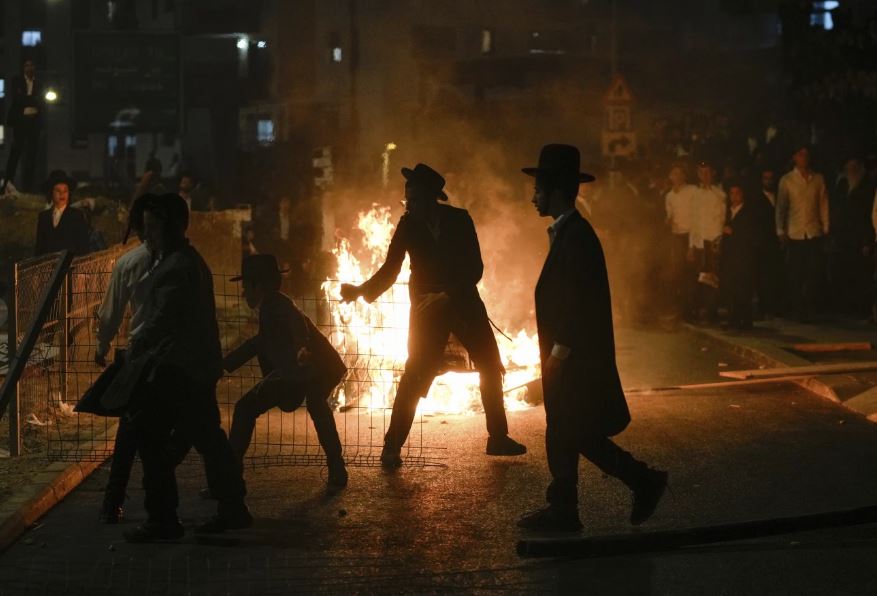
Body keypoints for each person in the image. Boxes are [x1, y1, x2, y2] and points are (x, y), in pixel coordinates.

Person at [517, 144, 667, 532]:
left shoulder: (577, 236)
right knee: (569, 428)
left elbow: (579, 303)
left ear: (557, 190)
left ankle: (632, 484)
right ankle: (573, 505)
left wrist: (558, 355)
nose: (533, 196)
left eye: (539, 188)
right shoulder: (567, 232)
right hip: (571, 355)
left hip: (575, 358)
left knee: (572, 428)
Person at [339, 163, 526, 467]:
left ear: (431, 198)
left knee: (491, 365)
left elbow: (475, 267)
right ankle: (392, 446)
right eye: (406, 200)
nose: (408, 206)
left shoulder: (460, 220)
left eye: (413, 200)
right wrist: (361, 290)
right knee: (415, 374)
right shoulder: (407, 226)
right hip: (427, 310)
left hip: (463, 302)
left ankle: (498, 438)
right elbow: (390, 269)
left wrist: (448, 295)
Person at [123, 193, 250, 542]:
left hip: (180, 370)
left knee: (154, 438)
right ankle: (231, 508)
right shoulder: (184, 260)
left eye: (152, 227)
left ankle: (164, 519)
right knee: (207, 439)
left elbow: (164, 319)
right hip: (191, 367)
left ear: (172, 227)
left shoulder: (177, 266)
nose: (146, 235)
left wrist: (137, 344)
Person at [220, 254, 348, 491]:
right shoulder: (273, 304)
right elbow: (260, 342)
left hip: (310, 368)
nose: (243, 292)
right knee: (317, 406)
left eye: (247, 286)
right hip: (313, 368)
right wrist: (226, 364)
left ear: (260, 286)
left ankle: (228, 481)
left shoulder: (275, 305)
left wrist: (301, 348)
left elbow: (295, 325)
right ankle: (337, 467)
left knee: (246, 408)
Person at [94, 193, 156, 523]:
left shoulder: (129, 263)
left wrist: (101, 346)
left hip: (142, 354)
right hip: (173, 355)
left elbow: (110, 314)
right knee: (189, 427)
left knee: (130, 431)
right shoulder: (183, 260)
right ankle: (225, 497)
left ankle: (113, 501)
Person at [776, 144, 829, 322]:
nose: (804, 158)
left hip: (813, 231)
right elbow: (782, 206)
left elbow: (823, 203)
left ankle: (811, 307)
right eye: (800, 155)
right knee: (796, 274)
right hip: (795, 232)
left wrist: (826, 226)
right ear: (794, 158)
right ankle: (797, 308)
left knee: (813, 272)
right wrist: (780, 229)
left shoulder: (818, 179)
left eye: (806, 155)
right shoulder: (787, 180)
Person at [689, 160, 727, 323]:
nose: (704, 176)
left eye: (707, 172)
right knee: (700, 277)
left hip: (714, 241)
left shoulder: (720, 194)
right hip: (699, 242)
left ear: (713, 174)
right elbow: (693, 220)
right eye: (701, 172)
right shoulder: (695, 194)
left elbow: (723, 219)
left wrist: (719, 241)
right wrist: (690, 245)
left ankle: (712, 311)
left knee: (713, 278)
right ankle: (701, 310)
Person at [720, 183, 760, 329]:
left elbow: (752, 235)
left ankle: (746, 320)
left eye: (737, 193)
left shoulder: (748, 212)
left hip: (744, 257)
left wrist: (734, 232)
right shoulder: (729, 212)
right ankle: (733, 318)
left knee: (744, 288)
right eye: (731, 193)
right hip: (730, 257)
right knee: (732, 288)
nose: (734, 197)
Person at [2, 59, 44, 194]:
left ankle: (28, 188)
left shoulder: (39, 82)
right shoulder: (17, 80)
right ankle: (7, 184)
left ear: (35, 67)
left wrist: (29, 100)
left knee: (32, 155)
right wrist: (33, 100)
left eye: (32, 65)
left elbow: (42, 101)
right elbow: (18, 100)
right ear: (23, 68)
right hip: (20, 122)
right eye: (26, 65)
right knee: (16, 152)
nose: (29, 68)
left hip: (34, 123)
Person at [665, 163, 697, 320]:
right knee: (678, 274)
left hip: (691, 235)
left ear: (684, 176)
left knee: (691, 274)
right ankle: (681, 309)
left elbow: (696, 215)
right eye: (673, 174)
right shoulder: (669, 196)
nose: (676, 177)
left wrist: (691, 244)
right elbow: (670, 215)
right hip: (677, 236)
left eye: (679, 173)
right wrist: (668, 220)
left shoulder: (692, 191)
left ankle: (692, 309)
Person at [34, 170, 90, 257]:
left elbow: (83, 248)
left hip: (70, 266)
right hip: (49, 267)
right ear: (51, 193)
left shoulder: (76, 216)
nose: (62, 194)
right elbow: (39, 248)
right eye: (58, 190)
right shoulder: (43, 217)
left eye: (65, 191)